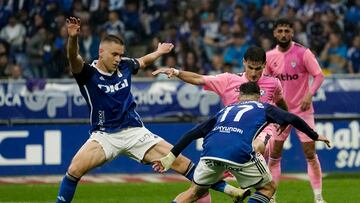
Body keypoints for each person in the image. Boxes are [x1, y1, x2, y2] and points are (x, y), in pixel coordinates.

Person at [55, 17, 248, 203]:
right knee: (74, 170)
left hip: (135, 132)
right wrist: (73, 38)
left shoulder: (125, 65)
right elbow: (73, 57)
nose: (118, 58)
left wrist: (159, 52)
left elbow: (143, 61)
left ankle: (232, 191)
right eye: (114, 54)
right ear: (101, 52)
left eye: (120, 54)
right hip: (105, 135)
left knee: (183, 163)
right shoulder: (88, 73)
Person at [153, 82, 331, 203]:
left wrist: (170, 156)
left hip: (209, 153)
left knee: (194, 192)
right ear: (257, 97)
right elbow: (292, 117)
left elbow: (192, 133)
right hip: (239, 152)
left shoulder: (225, 110)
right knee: (268, 188)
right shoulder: (263, 107)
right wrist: (314, 136)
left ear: (239, 97)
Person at [152, 46, 287, 155]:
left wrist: (284, 120)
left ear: (264, 65)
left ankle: (251, 173)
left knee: (257, 147)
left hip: (262, 130)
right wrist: (176, 72)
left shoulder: (273, 83)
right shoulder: (228, 80)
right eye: (250, 67)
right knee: (201, 185)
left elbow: (280, 102)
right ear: (244, 62)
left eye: (258, 69)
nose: (253, 73)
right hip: (232, 132)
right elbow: (199, 79)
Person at [264, 18, 326, 203]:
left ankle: (318, 197)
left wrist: (309, 94)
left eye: (287, 30)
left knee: (310, 154)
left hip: (302, 111)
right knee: (274, 156)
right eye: (280, 31)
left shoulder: (303, 53)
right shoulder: (268, 57)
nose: (283, 34)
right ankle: (272, 197)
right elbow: (266, 83)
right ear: (275, 33)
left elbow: (319, 76)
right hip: (279, 114)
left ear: (292, 32)